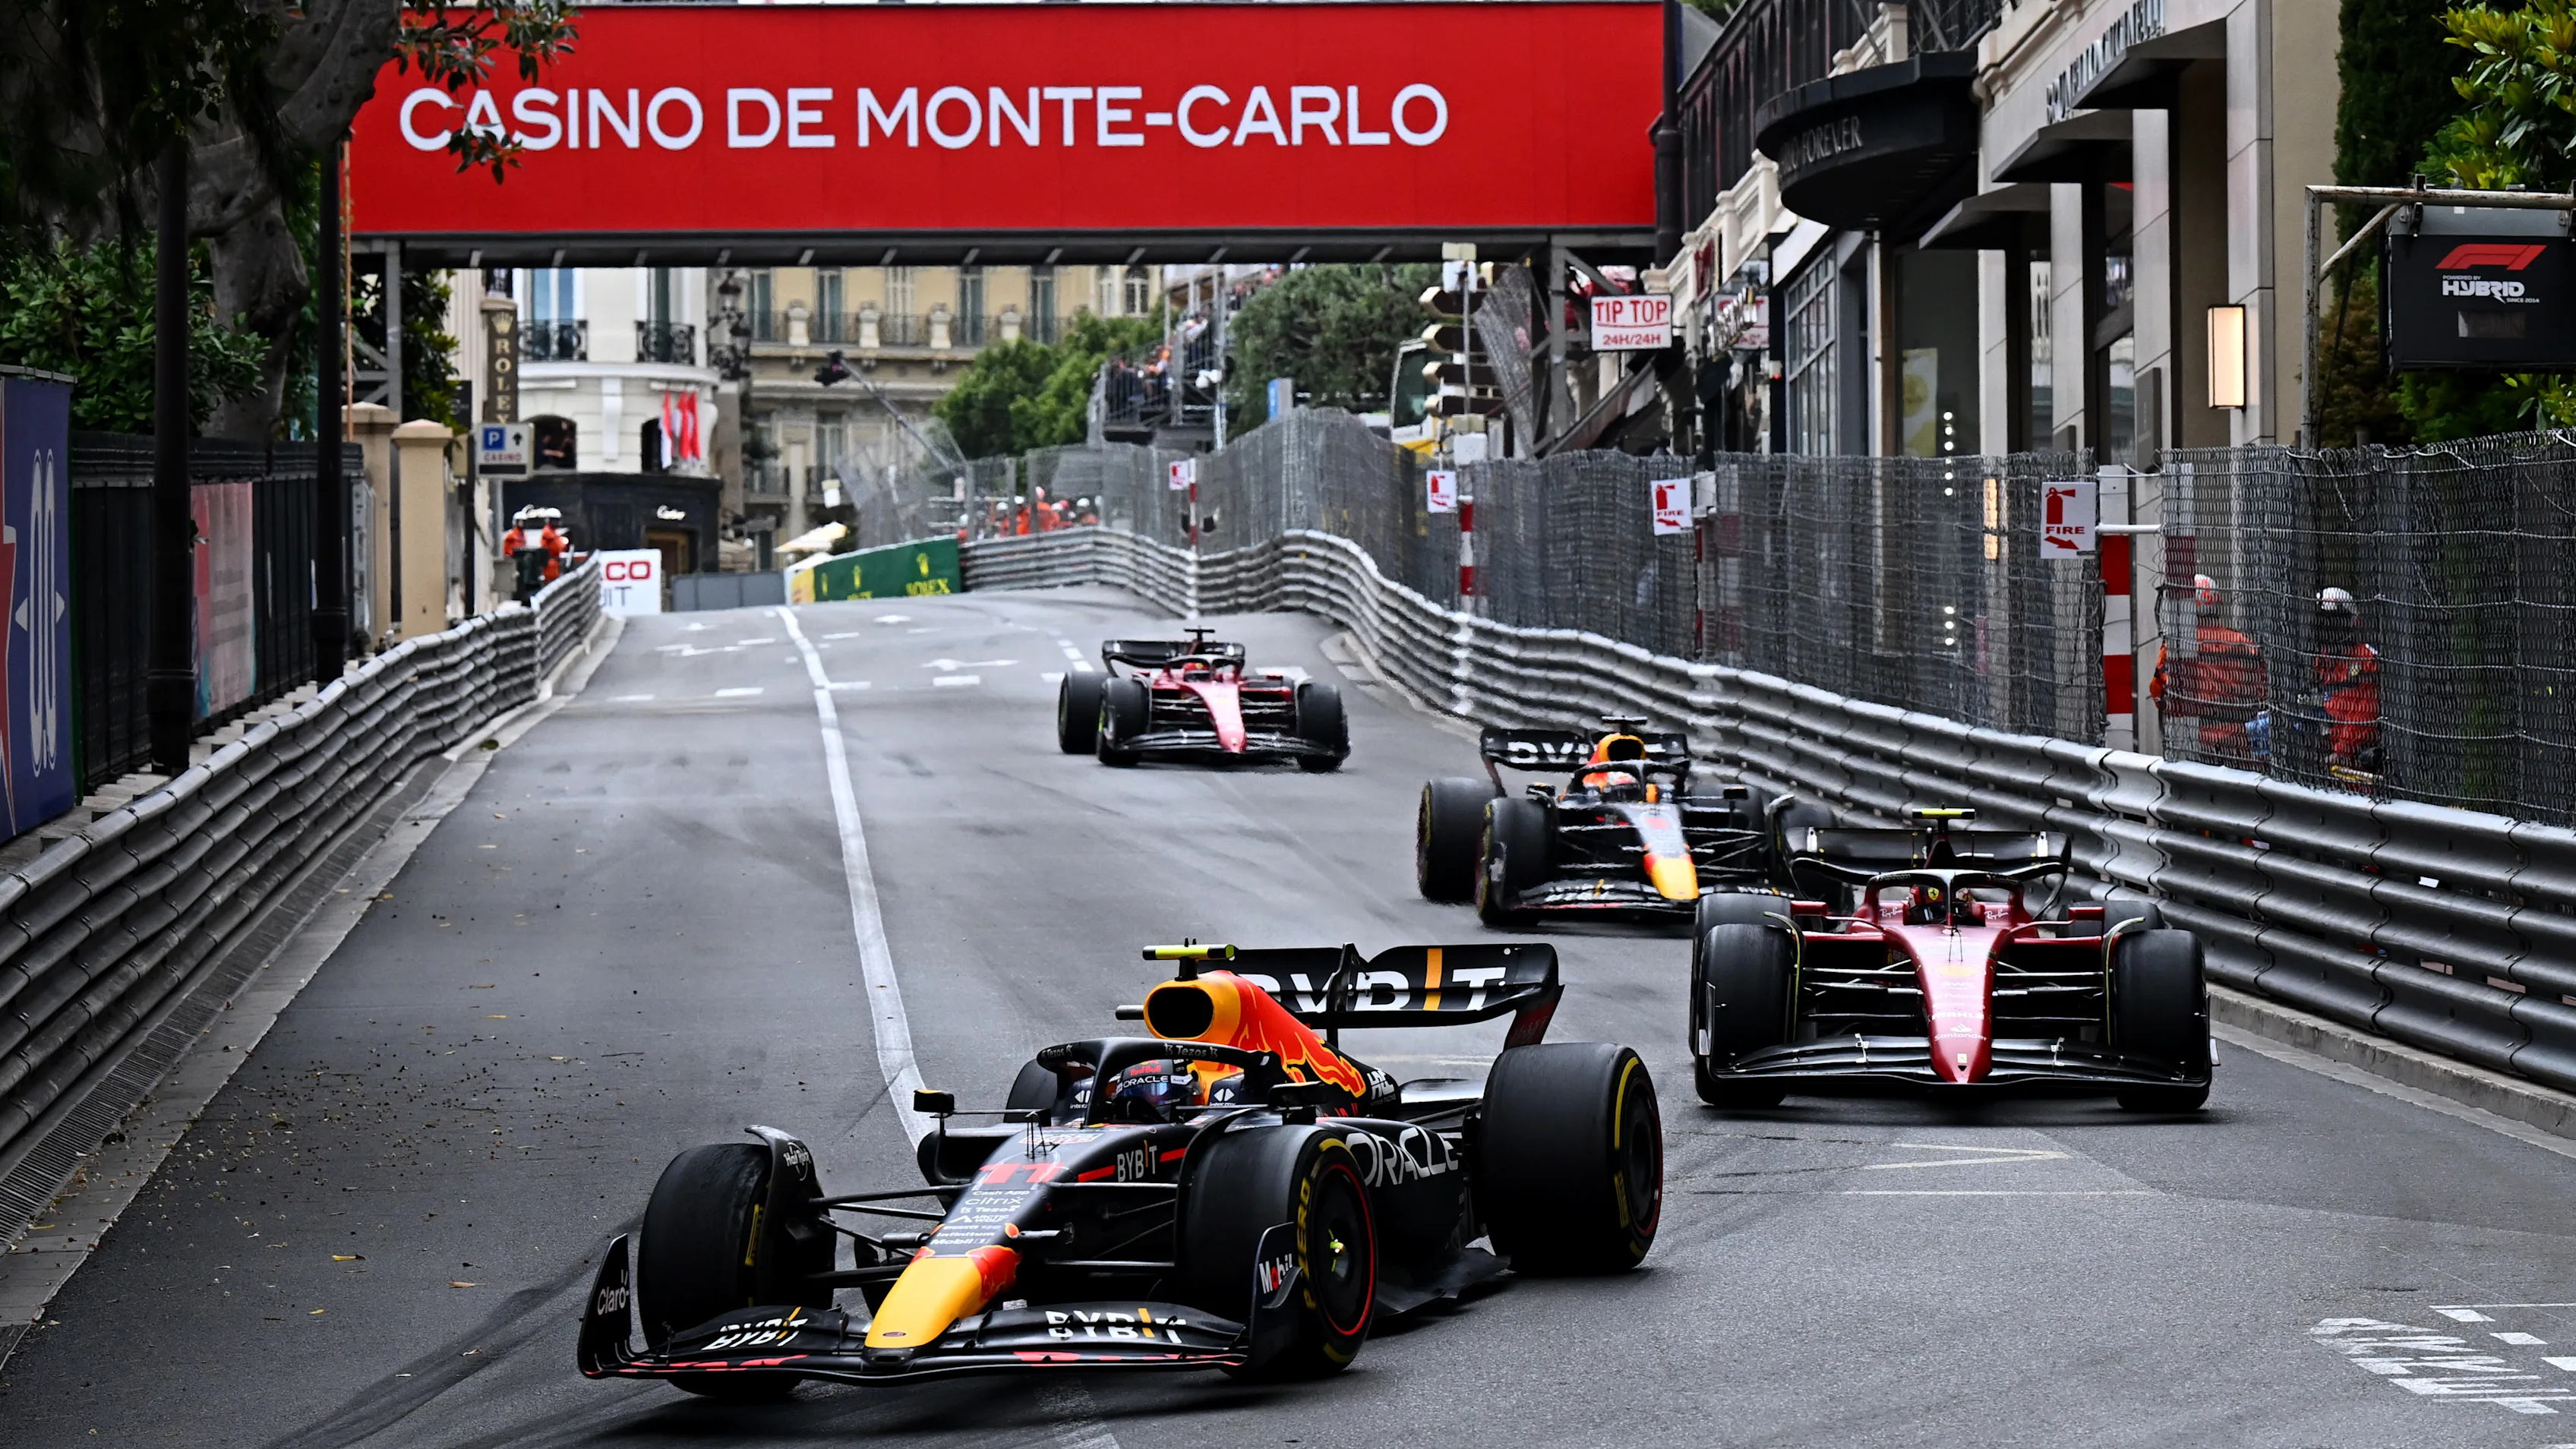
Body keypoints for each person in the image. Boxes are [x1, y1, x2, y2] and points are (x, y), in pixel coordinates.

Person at [2149, 574, 2266, 759]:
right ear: (2217, 601)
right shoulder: (2244, 644)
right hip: (2238, 741)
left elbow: (2159, 690)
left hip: (2195, 739)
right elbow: (2262, 693)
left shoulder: (2176, 647)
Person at [2314, 586, 2382, 775]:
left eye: (2335, 622)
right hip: (2323, 751)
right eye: (2325, 622)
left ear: (2353, 622)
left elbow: (2365, 713)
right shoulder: (2321, 661)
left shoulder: (2366, 659)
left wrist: (2341, 751)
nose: (2330, 628)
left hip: (2355, 761)